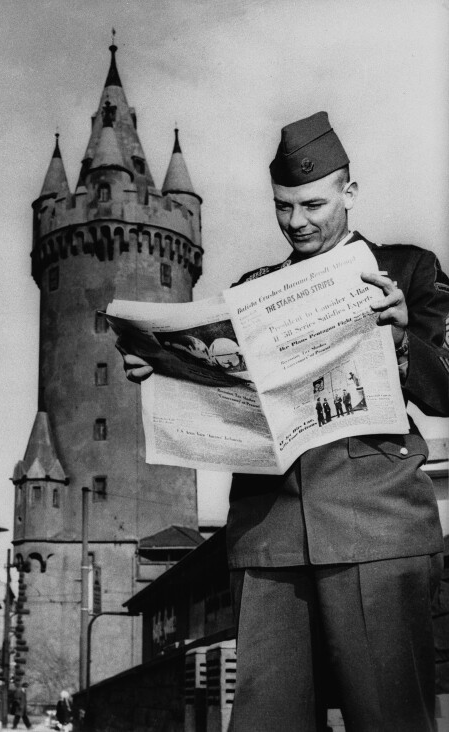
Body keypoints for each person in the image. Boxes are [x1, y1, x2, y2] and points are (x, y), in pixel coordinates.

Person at [120, 111, 449, 730]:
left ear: (349, 193)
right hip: (268, 541)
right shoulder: (252, 290)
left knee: (390, 719)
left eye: (314, 205)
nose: (296, 222)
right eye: (283, 207)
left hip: (375, 534)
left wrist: (402, 341)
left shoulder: (407, 271)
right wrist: (164, 370)